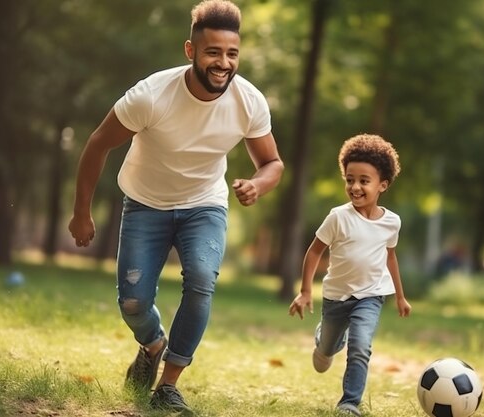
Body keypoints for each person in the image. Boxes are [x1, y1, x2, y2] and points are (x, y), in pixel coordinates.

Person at [68, 0, 284, 412]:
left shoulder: (249, 101)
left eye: (232, 53)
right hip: (145, 204)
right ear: (191, 51)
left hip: (204, 204)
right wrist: (81, 211)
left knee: (202, 279)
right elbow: (98, 143)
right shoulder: (151, 95)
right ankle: (152, 344)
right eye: (213, 52)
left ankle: (168, 383)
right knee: (132, 302)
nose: (223, 63)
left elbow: (272, 162)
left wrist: (258, 184)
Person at [288, 134, 411, 416]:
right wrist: (306, 291)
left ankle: (349, 403)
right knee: (324, 357)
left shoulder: (392, 222)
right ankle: (326, 340)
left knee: (361, 346)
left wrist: (401, 297)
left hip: (370, 296)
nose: (355, 187)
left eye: (364, 181)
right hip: (335, 297)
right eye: (349, 179)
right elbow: (314, 252)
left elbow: (391, 257)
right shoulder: (338, 217)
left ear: (383, 184)